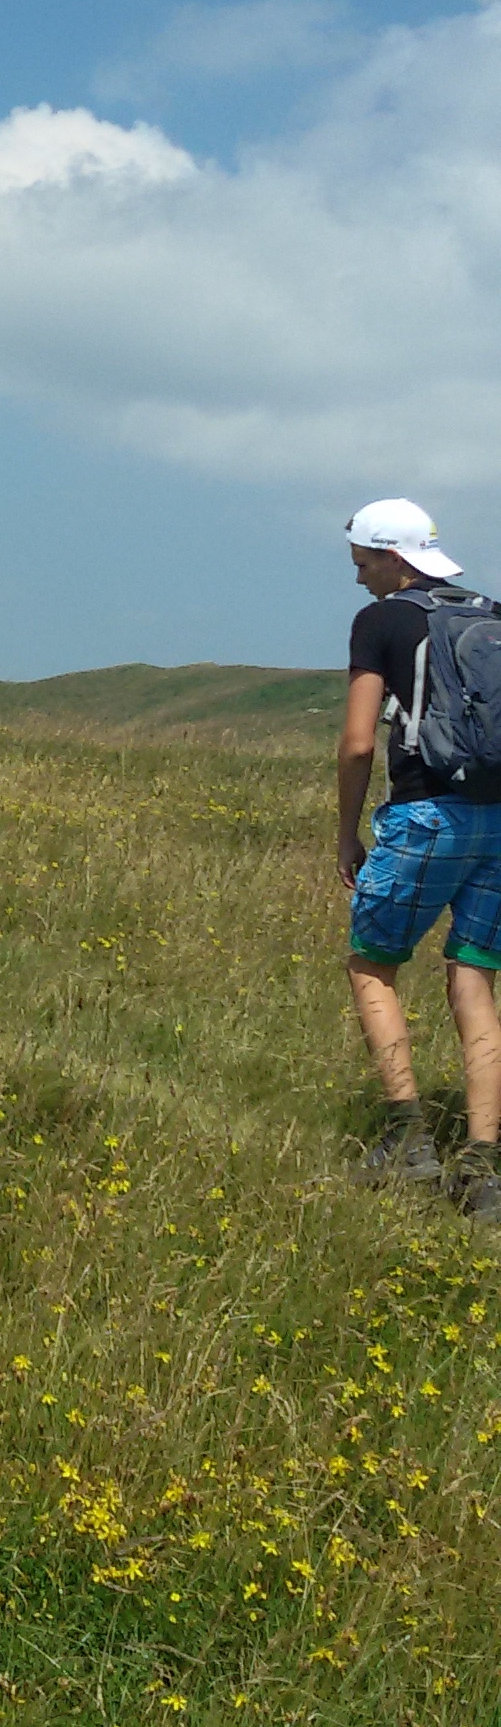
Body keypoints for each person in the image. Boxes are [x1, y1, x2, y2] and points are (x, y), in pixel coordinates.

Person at [337, 497, 501, 1220]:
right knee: (475, 977)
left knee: (372, 961)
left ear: (394, 558)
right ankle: (483, 1166)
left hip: (425, 812)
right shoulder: (486, 611)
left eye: (365, 564)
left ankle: (407, 1141)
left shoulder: (383, 621)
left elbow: (359, 742)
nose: (361, 578)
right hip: (497, 818)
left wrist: (348, 833)